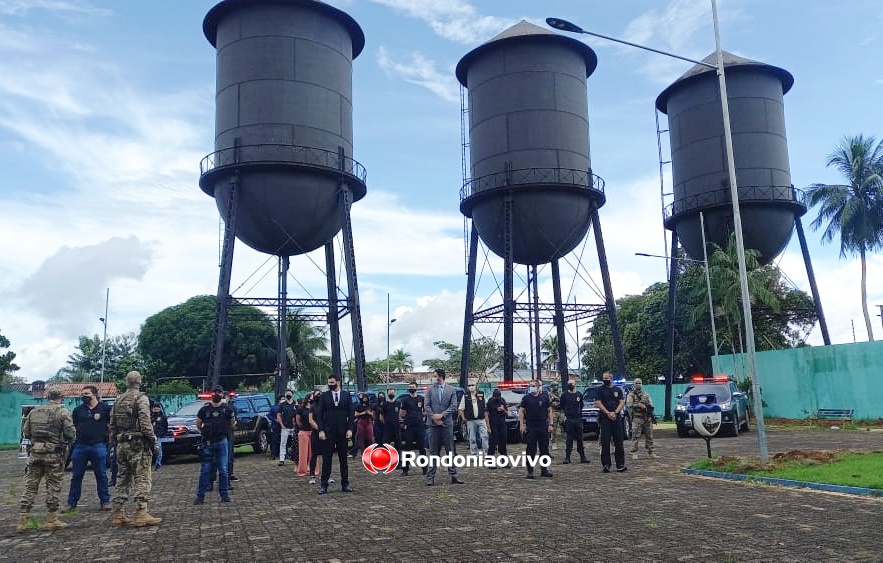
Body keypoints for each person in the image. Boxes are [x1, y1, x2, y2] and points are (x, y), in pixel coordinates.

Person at [17, 385, 76, 533]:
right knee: (53, 487)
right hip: (53, 455)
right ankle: (52, 519)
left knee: (30, 486)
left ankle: (23, 520)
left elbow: (26, 432)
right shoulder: (63, 412)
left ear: (48, 396)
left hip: (35, 454)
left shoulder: (34, 411)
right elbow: (70, 433)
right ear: (61, 397)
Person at [109, 371, 162, 526]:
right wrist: (153, 440)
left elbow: (112, 423)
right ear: (139, 381)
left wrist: (113, 441)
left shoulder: (118, 400)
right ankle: (141, 512)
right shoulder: (141, 398)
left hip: (121, 443)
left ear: (127, 382)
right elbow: (145, 422)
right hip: (138, 444)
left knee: (122, 478)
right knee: (142, 477)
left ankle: (119, 513)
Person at [65, 385, 112, 512]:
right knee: (76, 476)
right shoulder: (78, 410)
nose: (84, 396)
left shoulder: (105, 409)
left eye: (87, 394)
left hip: (99, 445)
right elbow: (72, 426)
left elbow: (112, 424)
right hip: (80, 446)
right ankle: (71, 503)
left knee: (101, 474)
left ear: (95, 394)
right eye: (83, 394)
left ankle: (105, 501)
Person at [314, 374, 355, 494]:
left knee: (343, 459)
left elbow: (351, 413)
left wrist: (350, 429)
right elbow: (319, 414)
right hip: (328, 432)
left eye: (332, 383)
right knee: (327, 459)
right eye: (329, 383)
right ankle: (324, 485)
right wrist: (321, 430)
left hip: (343, 432)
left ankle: (345, 484)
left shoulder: (346, 395)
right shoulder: (324, 396)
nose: (330, 385)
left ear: (338, 382)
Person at [194, 386, 233, 504]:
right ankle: (200, 496)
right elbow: (198, 424)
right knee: (205, 470)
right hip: (208, 442)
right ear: (211, 394)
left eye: (219, 392)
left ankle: (224, 495)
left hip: (222, 441)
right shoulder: (204, 409)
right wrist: (205, 433)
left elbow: (232, 423)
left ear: (222, 394)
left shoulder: (227, 409)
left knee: (223, 469)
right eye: (215, 392)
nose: (216, 394)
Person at [424, 369, 463, 486]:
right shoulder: (430, 390)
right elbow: (426, 405)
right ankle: (430, 477)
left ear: (441, 377)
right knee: (433, 451)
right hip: (433, 425)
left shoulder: (451, 390)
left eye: (435, 376)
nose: (434, 378)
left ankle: (454, 475)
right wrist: (434, 417)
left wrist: (442, 415)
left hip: (447, 424)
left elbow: (454, 406)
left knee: (450, 450)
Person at [518, 379, 554, 479]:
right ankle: (530, 471)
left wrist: (551, 424)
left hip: (543, 426)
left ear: (538, 387)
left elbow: (549, 411)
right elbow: (521, 412)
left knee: (544, 449)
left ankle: (544, 470)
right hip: (531, 427)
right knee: (530, 450)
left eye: (534, 385)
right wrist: (522, 425)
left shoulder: (544, 397)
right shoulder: (526, 398)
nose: (532, 387)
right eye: (531, 386)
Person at [595, 371, 627, 473]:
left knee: (619, 442)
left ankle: (620, 464)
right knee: (605, 442)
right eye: (603, 378)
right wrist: (608, 413)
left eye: (606, 378)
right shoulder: (600, 390)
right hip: (605, 418)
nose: (605, 380)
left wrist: (615, 412)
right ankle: (606, 465)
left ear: (611, 378)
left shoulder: (618, 389)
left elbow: (622, 402)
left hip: (616, 418)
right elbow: (598, 402)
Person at [398, 381, 426, 476]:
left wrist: (420, 415)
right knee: (408, 448)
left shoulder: (421, 399)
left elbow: (425, 411)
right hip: (409, 426)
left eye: (413, 386)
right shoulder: (405, 400)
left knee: (422, 448)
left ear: (416, 387)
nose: (411, 388)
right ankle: (405, 469)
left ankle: (425, 469)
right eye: (410, 387)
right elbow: (401, 413)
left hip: (419, 426)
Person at [626, 378, 657, 460]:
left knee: (649, 435)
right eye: (636, 383)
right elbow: (629, 404)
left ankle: (651, 452)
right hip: (637, 418)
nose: (638, 384)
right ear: (634, 384)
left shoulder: (646, 394)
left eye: (639, 383)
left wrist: (649, 409)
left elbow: (651, 404)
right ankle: (634, 452)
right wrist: (639, 405)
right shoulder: (631, 395)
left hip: (647, 418)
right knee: (635, 436)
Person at [559, 381, 588, 464]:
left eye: (571, 383)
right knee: (569, 439)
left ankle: (583, 457)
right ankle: (567, 457)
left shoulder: (579, 394)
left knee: (580, 438)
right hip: (569, 419)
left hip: (578, 419)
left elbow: (581, 405)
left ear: (575, 385)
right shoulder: (564, 395)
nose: (570, 385)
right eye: (569, 383)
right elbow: (562, 405)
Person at [458, 383, 488, 455]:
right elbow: (461, 409)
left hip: (481, 420)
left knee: (485, 437)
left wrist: (486, 418)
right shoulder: (465, 396)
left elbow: (486, 406)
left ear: (476, 386)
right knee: (472, 438)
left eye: (473, 385)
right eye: (469, 385)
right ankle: (474, 454)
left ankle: (487, 454)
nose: (471, 387)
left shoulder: (481, 394)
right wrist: (463, 418)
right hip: (470, 421)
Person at [484, 388, 508, 460]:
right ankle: (489, 461)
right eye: (495, 397)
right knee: (492, 444)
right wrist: (488, 427)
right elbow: (486, 414)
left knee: (503, 443)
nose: (496, 398)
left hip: (502, 424)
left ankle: (504, 460)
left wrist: (503, 410)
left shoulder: (502, 401)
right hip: (493, 425)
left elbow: (507, 413)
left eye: (498, 397)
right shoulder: (490, 402)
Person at [306, 391, 324, 484]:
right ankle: (312, 475)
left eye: (320, 394)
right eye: (317, 394)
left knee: (327, 455)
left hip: (326, 433)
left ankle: (327, 475)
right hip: (316, 433)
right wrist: (319, 429)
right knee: (314, 455)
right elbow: (311, 420)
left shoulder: (326, 406)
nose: (319, 396)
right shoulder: (313, 407)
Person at [296, 395, 315, 477]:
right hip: (303, 431)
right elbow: (298, 421)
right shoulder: (301, 409)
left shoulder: (315, 408)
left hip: (313, 432)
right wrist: (302, 427)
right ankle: (302, 470)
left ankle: (313, 469)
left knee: (313, 452)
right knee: (303, 453)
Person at [277, 391, 296, 466]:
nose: (288, 395)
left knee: (296, 443)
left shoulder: (296, 404)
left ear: (292, 395)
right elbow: (278, 415)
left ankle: (295, 457)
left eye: (289, 393)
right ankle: (282, 459)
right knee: (283, 443)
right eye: (287, 394)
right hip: (285, 427)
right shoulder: (282, 404)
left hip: (294, 427)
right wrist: (281, 424)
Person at [354, 392, 375, 457]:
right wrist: (362, 413)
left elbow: (374, 415)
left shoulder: (370, 405)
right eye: (363, 399)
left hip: (369, 421)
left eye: (366, 398)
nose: (365, 400)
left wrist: (369, 413)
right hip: (361, 421)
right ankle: (363, 452)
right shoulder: (358, 405)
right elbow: (355, 414)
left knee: (370, 437)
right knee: (361, 437)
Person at [150, 400, 168, 471]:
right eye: (154, 409)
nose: (156, 410)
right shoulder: (150, 416)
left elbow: (165, 426)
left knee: (159, 451)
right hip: (150, 436)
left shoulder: (163, 417)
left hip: (158, 436)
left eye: (157, 409)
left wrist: (162, 433)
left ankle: (158, 464)